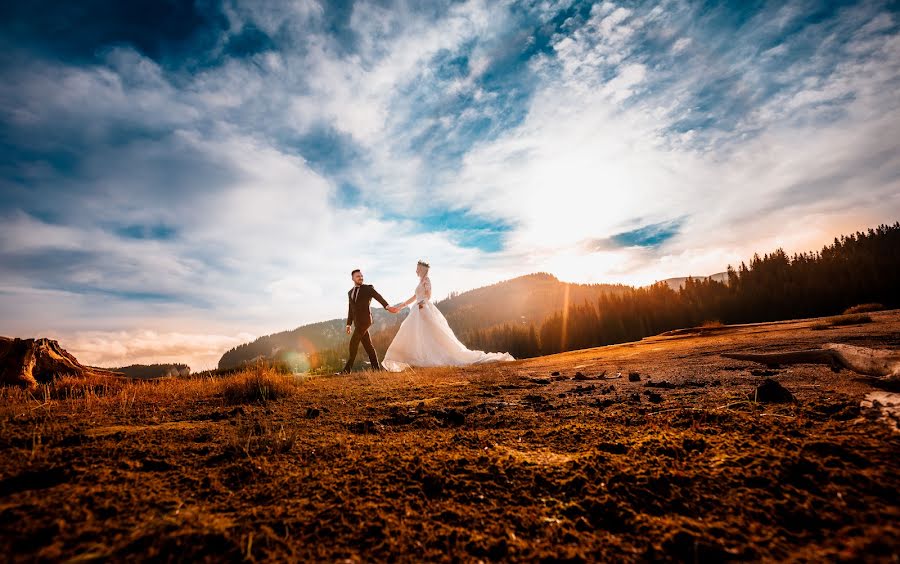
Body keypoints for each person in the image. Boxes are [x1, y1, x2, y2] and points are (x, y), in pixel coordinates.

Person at [382, 260, 515, 372]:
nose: (416, 271)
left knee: (429, 334)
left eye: (417, 269)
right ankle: (417, 359)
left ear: (422, 269)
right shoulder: (421, 281)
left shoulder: (426, 280)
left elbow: (428, 295)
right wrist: (401, 306)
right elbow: (414, 296)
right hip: (417, 309)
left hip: (423, 308)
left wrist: (422, 303)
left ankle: (428, 358)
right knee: (416, 333)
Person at [341, 269, 398, 373]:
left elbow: (378, 296)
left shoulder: (367, 288)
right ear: (353, 278)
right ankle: (376, 369)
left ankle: (346, 370)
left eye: (361, 276)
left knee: (353, 343)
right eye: (358, 276)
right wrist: (348, 324)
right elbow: (351, 309)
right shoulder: (350, 293)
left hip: (365, 321)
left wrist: (388, 306)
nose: (361, 277)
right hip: (357, 323)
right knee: (368, 347)